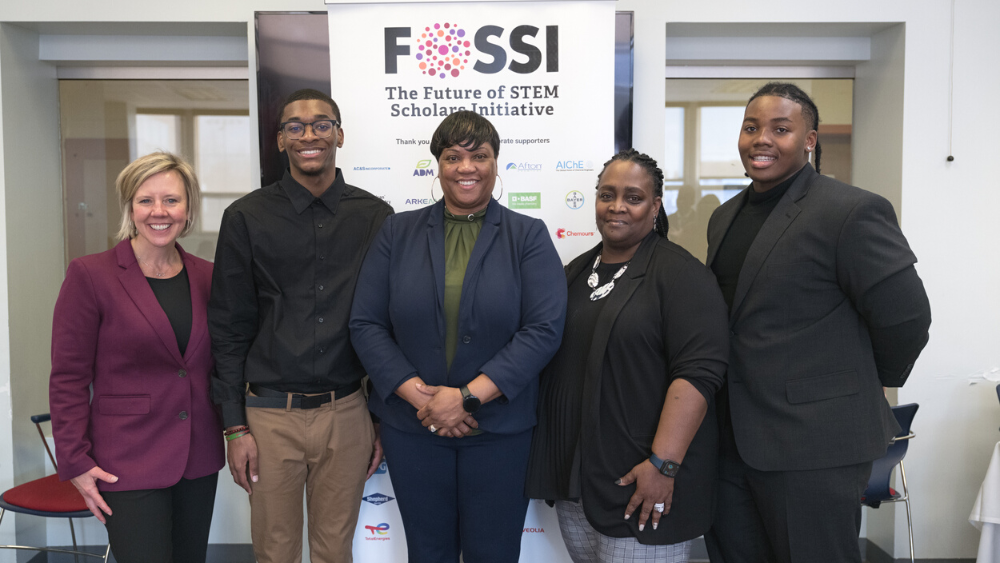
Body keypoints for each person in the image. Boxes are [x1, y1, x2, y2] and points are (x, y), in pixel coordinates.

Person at [703, 82, 932, 563]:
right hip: (731, 441)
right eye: (751, 127)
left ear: (809, 140)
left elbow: (907, 317)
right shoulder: (723, 217)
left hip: (815, 443)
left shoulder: (850, 210)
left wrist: (859, 385)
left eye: (780, 128)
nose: (761, 138)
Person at [349, 110, 566, 563]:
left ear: (495, 162)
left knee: (494, 552)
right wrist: (424, 401)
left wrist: (466, 398)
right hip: (414, 428)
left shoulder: (528, 236)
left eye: (479, 156)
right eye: (453, 156)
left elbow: (543, 330)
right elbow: (366, 324)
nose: (466, 167)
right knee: (428, 553)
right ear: (438, 164)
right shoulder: (397, 232)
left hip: (500, 431)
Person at [209, 88, 391, 563]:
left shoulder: (376, 217)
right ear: (280, 140)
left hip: (347, 413)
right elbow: (228, 327)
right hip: (268, 417)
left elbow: (387, 325)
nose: (309, 134)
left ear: (340, 134)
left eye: (321, 124)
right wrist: (234, 427)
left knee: (336, 551)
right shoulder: (245, 218)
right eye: (296, 126)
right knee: (275, 553)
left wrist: (379, 419)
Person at [525, 149, 730, 563]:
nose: (617, 206)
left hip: (645, 486)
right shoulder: (575, 272)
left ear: (655, 206)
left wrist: (663, 466)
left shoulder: (682, 276)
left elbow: (699, 374)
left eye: (633, 197)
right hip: (580, 488)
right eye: (607, 194)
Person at [49, 152, 223, 563]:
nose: (159, 212)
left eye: (172, 200)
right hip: (125, 460)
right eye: (146, 200)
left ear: (189, 208)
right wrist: (74, 459)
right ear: (130, 207)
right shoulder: (91, 275)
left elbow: (216, 365)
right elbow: (68, 377)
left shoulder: (208, 276)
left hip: (197, 457)